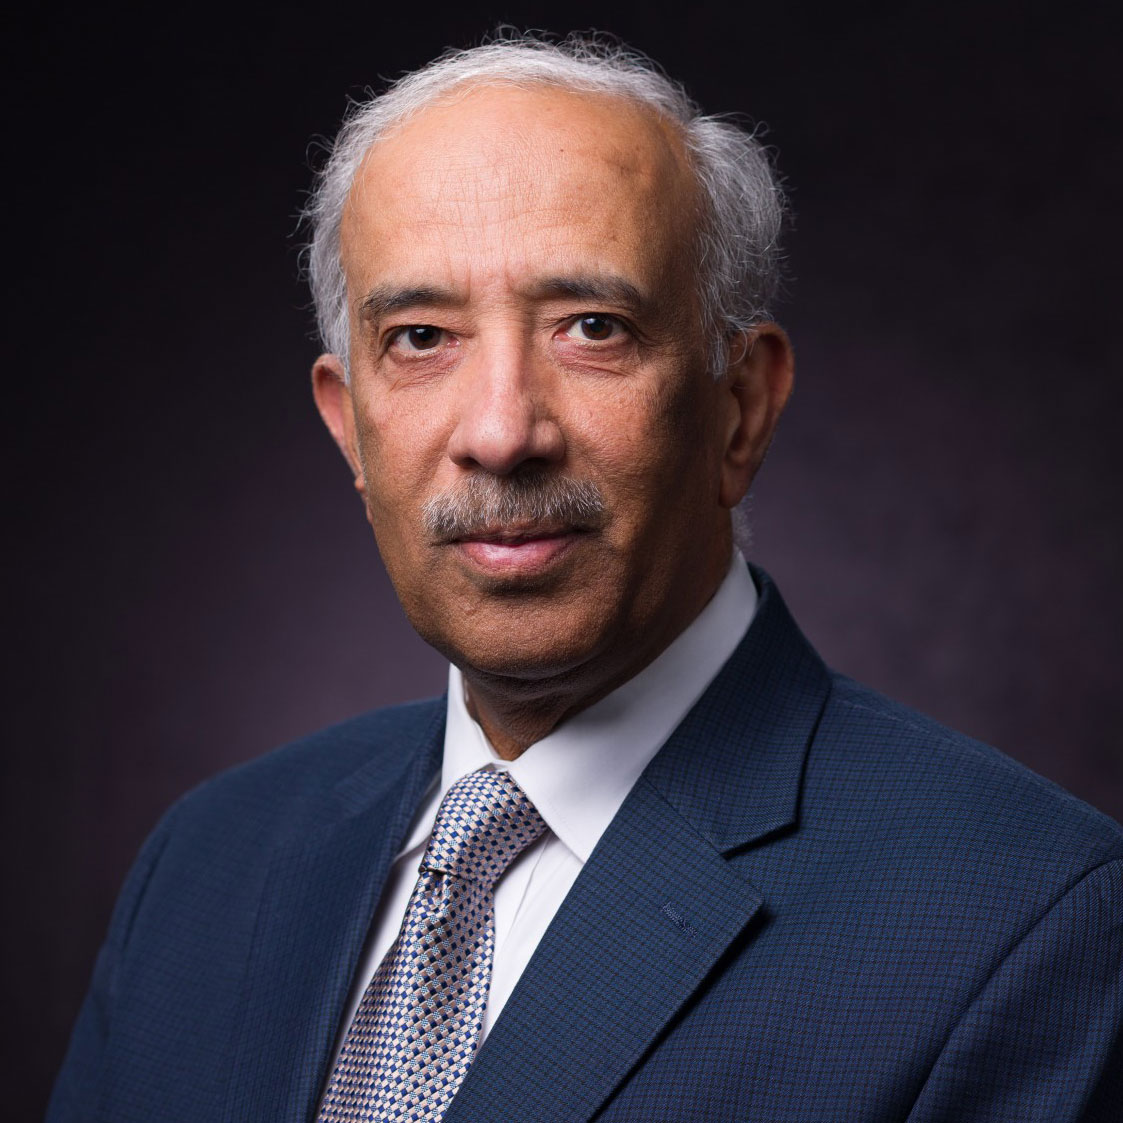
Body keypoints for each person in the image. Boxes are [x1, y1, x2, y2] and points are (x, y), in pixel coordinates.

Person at [48, 34, 1122, 1123]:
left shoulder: (1028, 920)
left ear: (740, 407)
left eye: (592, 329)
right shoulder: (208, 862)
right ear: (349, 429)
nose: (503, 432)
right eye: (421, 337)